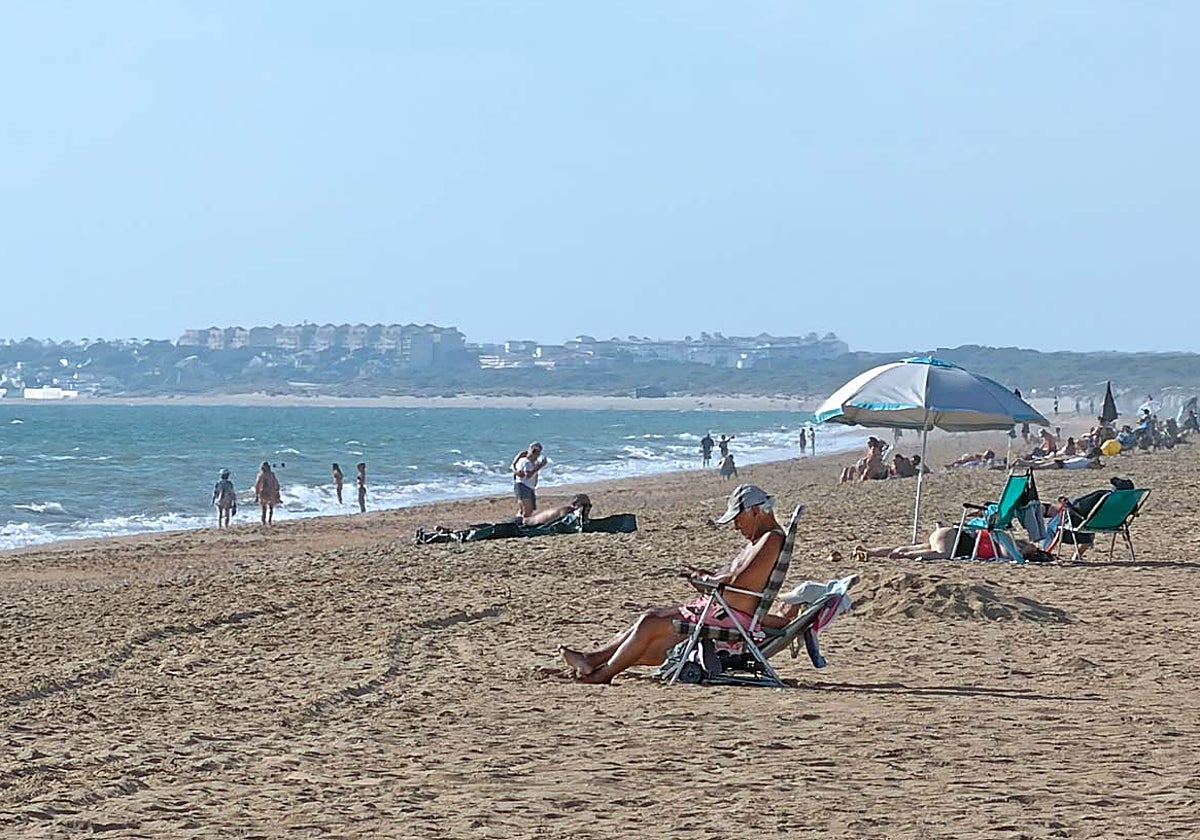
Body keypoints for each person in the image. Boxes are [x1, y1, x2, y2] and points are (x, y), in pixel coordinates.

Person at [559, 485, 787, 684]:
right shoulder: (763, 539)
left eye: (738, 519)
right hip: (722, 609)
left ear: (755, 511)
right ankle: (592, 659)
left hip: (729, 615)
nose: (736, 527)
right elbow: (738, 577)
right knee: (647, 621)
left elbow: (740, 581)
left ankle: (603, 674)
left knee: (649, 622)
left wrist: (709, 581)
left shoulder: (770, 539)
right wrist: (708, 577)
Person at [511, 442, 548, 518]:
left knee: (527, 509)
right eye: (534, 451)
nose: (535, 454)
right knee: (527, 510)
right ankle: (521, 524)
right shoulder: (526, 462)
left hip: (528, 486)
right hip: (523, 486)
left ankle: (518, 522)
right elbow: (528, 475)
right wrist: (539, 467)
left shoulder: (531, 462)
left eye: (538, 452)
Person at [521, 493, 591, 527]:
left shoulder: (568, 512)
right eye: (585, 505)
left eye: (589, 506)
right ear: (575, 505)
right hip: (526, 523)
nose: (588, 508)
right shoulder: (566, 512)